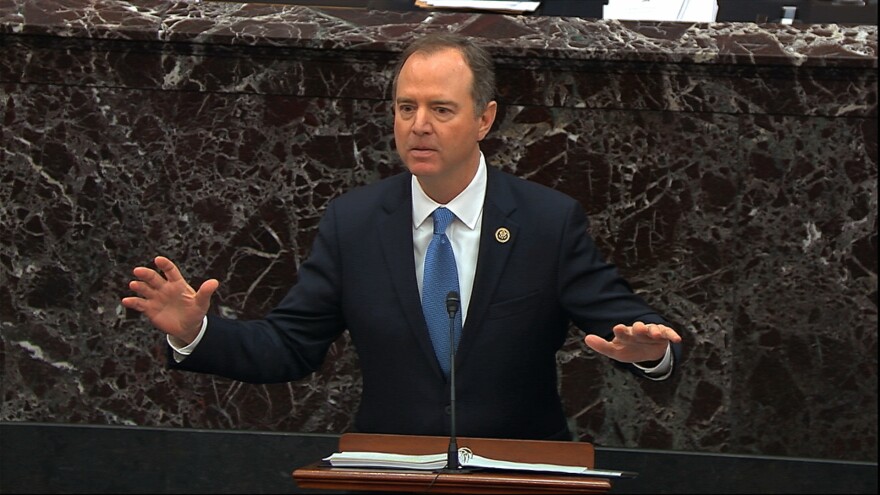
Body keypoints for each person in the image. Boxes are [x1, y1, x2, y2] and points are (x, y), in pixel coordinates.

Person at [122, 32, 682, 441]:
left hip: (518, 474)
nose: (419, 125)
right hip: (389, 469)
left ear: (484, 119)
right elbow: (290, 346)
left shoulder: (546, 221)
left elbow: (625, 325)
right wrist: (197, 332)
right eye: (406, 107)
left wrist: (650, 352)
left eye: (441, 109)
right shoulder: (356, 223)